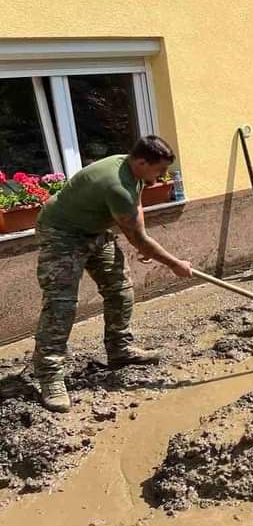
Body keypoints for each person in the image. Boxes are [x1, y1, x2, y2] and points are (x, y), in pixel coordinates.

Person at [32, 135, 193, 413]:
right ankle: (49, 376)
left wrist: (139, 239)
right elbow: (137, 227)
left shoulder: (134, 170)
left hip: (94, 231)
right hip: (61, 234)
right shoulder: (116, 183)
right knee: (61, 305)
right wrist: (174, 263)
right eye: (159, 169)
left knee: (120, 289)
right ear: (142, 161)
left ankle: (120, 350)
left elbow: (137, 205)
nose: (162, 176)